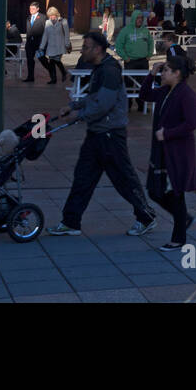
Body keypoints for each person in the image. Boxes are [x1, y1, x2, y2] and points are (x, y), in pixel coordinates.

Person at [48, 31, 159, 237]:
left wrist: (78, 115)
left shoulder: (109, 70)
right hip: (97, 133)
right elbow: (93, 96)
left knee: (123, 179)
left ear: (98, 49)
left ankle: (146, 216)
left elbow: (103, 105)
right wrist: (74, 105)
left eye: (86, 47)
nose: (82, 50)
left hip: (110, 135)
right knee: (83, 177)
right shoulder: (100, 68)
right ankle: (71, 221)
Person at [139, 51, 196, 251]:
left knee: (177, 194)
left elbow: (191, 123)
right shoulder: (165, 91)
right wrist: (152, 74)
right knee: (155, 191)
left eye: (166, 70)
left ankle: (178, 237)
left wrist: (168, 133)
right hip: (163, 149)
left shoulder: (186, 94)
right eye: (163, 70)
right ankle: (184, 220)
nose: (163, 74)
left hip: (178, 151)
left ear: (177, 73)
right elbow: (144, 95)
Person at [116, 9, 155, 112]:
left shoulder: (145, 30)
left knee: (143, 85)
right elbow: (118, 46)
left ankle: (142, 106)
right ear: (133, 19)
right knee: (128, 84)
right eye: (138, 18)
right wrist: (125, 57)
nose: (140, 20)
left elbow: (151, 43)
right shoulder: (126, 30)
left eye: (141, 18)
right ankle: (127, 106)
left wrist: (149, 55)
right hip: (130, 61)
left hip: (143, 61)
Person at [40, 7, 70, 85]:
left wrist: (67, 44)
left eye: (53, 15)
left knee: (55, 60)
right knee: (52, 62)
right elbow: (45, 35)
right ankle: (54, 78)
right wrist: (42, 46)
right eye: (49, 16)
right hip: (51, 46)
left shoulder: (63, 21)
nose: (51, 17)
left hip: (60, 45)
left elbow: (67, 34)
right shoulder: (47, 22)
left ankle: (62, 73)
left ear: (56, 14)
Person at [23, 2, 46, 83]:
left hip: (39, 44)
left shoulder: (43, 17)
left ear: (37, 9)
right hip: (29, 44)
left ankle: (53, 76)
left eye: (33, 9)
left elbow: (46, 31)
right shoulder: (28, 18)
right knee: (30, 60)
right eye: (30, 9)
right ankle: (30, 77)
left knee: (42, 59)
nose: (31, 10)